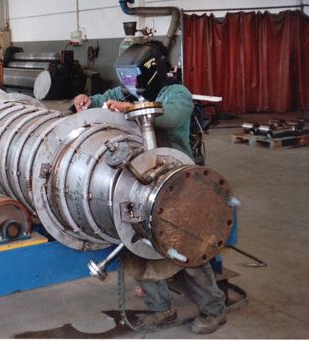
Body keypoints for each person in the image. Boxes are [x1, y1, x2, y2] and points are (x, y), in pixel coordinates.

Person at [72, 41, 227, 335]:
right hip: (139, 179)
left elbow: (171, 116)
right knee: (136, 246)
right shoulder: (129, 92)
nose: (127, 84)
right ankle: (161, 308)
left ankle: (213, 309)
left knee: (187, 244)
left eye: (132, 77)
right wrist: (86, 100)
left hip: (177, 181)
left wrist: (131, 108)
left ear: (151, 72)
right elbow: (104, 97)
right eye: (124, 78)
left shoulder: (176, 93)